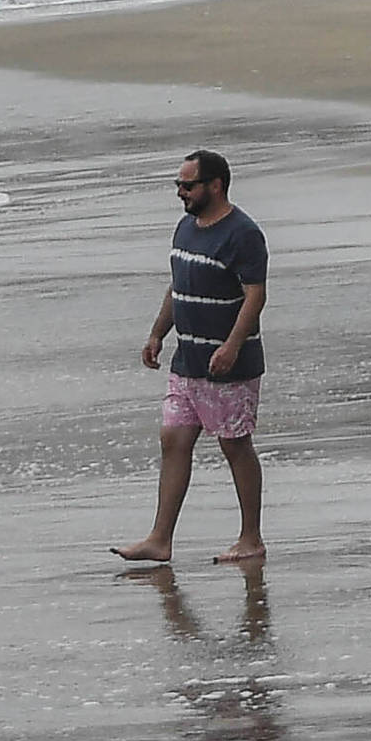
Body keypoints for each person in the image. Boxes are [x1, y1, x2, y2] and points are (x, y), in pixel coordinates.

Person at [116, 149, 269, 565]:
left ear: (214, 185)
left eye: (188, 185)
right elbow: (177, 286)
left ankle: (250, 538)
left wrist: (232, 345)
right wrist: (156, 333)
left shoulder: (242, 234)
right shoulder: (185, 228)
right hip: (187, 360)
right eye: (178, 185)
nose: (180, 193)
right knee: (173, 439)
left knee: (235, 445)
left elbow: (256, 296)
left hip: (228, 365)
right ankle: (159, 539)